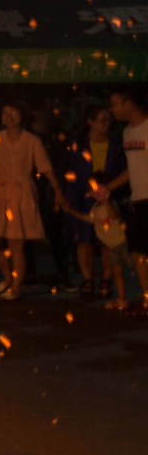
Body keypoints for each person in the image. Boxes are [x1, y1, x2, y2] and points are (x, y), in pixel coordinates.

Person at [0, 103, 60, 302]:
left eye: (14, 112)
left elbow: (45, 167)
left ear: (22, 115)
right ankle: (8, 276)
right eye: (5, 113)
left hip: (22, 192)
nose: (9, 116)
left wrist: (57, 190)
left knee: (16, 244)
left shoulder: (32, 141)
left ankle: (17, 287)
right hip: (1, 192)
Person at [60, 104, 128, 303]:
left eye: (108, 119)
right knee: (84, 239)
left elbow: (124, 168)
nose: (106, 123)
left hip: (108, 194)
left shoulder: (116, 143)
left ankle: (106, 280)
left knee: (107, 239)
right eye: (102, 119)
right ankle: (88, 278)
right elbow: (65, 167)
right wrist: (64, 192)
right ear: (90, 121)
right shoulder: (78, 143)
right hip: (82, 195)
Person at [98, 88, 148, 315]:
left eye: (115, 104)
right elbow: (132, 168)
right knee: (138, 252)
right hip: (137, 199)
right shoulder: (128, 133)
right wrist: (107, 187)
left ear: (129, 103)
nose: (112, 110)